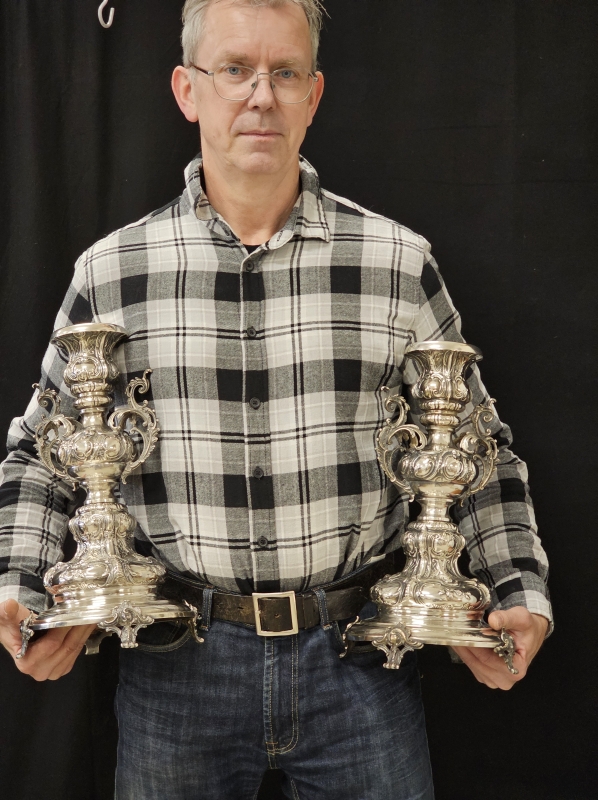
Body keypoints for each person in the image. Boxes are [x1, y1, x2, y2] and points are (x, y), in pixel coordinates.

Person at [0, 1, 551, 798]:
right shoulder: (113, 272)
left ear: (313, 95)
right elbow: (41, 456)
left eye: (284, 72)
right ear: (187, 90)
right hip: (177, 674)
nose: (261, 95)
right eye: (235, 69)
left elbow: (477, 450)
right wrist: (18, 590)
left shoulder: (396, 263)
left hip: (360, 667)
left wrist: (517, 593)